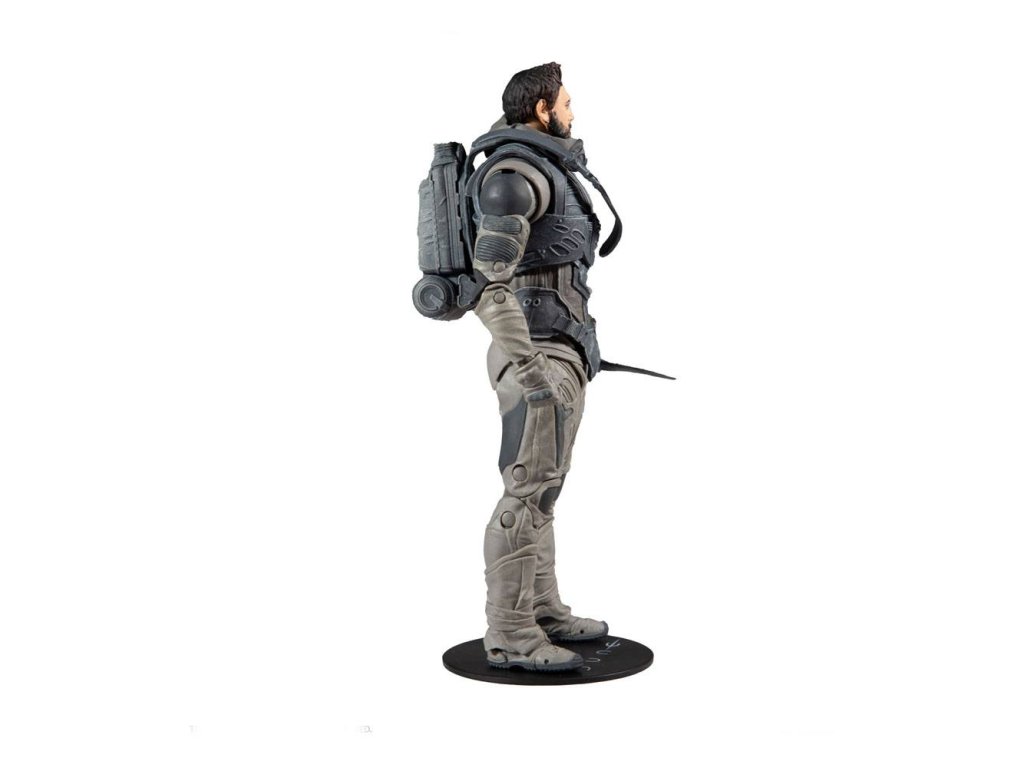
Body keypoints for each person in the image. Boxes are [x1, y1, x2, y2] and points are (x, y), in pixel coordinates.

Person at [468, 63, 618, 671]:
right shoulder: (513, 178)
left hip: (560, 347)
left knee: (545, 491)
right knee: (525, 491)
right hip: (534, 354)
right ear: (541, 109)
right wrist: (530, 370)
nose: (572, 112)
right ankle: (509, 632)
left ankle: (542, 609)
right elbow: (491, 284)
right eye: (566, 102)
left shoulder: (542, 167)